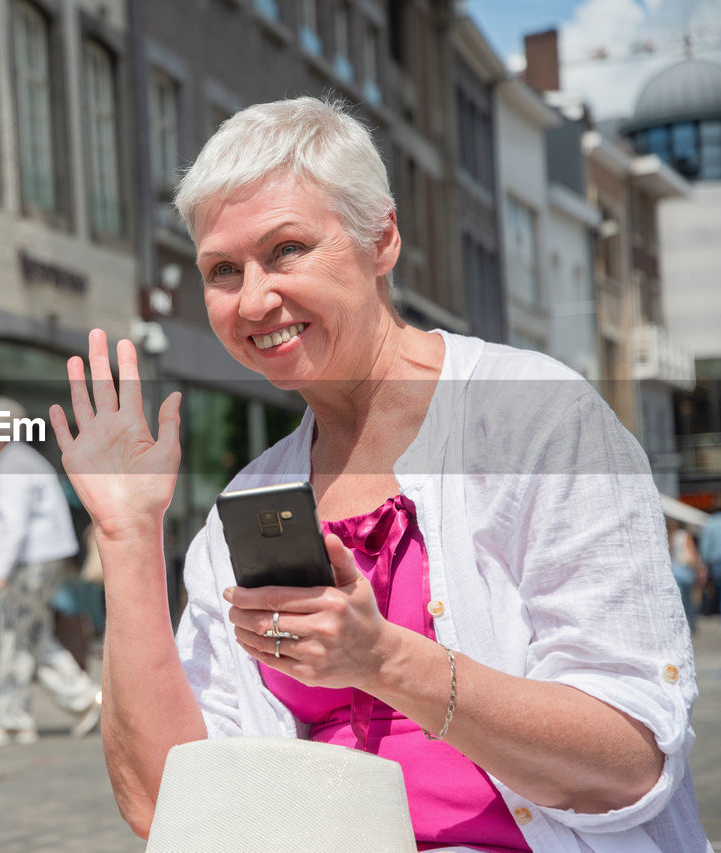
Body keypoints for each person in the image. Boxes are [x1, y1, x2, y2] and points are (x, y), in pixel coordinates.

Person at [49, 98, 708, 850]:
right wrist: (128, 533)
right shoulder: (244, 508)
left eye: (287, 249)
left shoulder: (533, 419)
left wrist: (386, 660)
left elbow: (629, 760)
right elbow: (167, 803)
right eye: (222, 270)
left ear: (382, 239)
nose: (255, 297)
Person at [0, 396, 102, 746]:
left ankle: (16, 719)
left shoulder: (13, 465)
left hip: (28, 564)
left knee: (15, 636)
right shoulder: (17, 461)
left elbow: (14, 524)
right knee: (34, 636)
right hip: (37, 563)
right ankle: (81, 698)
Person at [668, 518, 705, 633]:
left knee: (679, 599)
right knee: (689, 599)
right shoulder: (684, 535)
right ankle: (691, 624)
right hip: (685, 570)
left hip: (673, 570)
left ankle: (679, 625)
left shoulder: (669, 535)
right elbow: (692, 553)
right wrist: (698, 569)